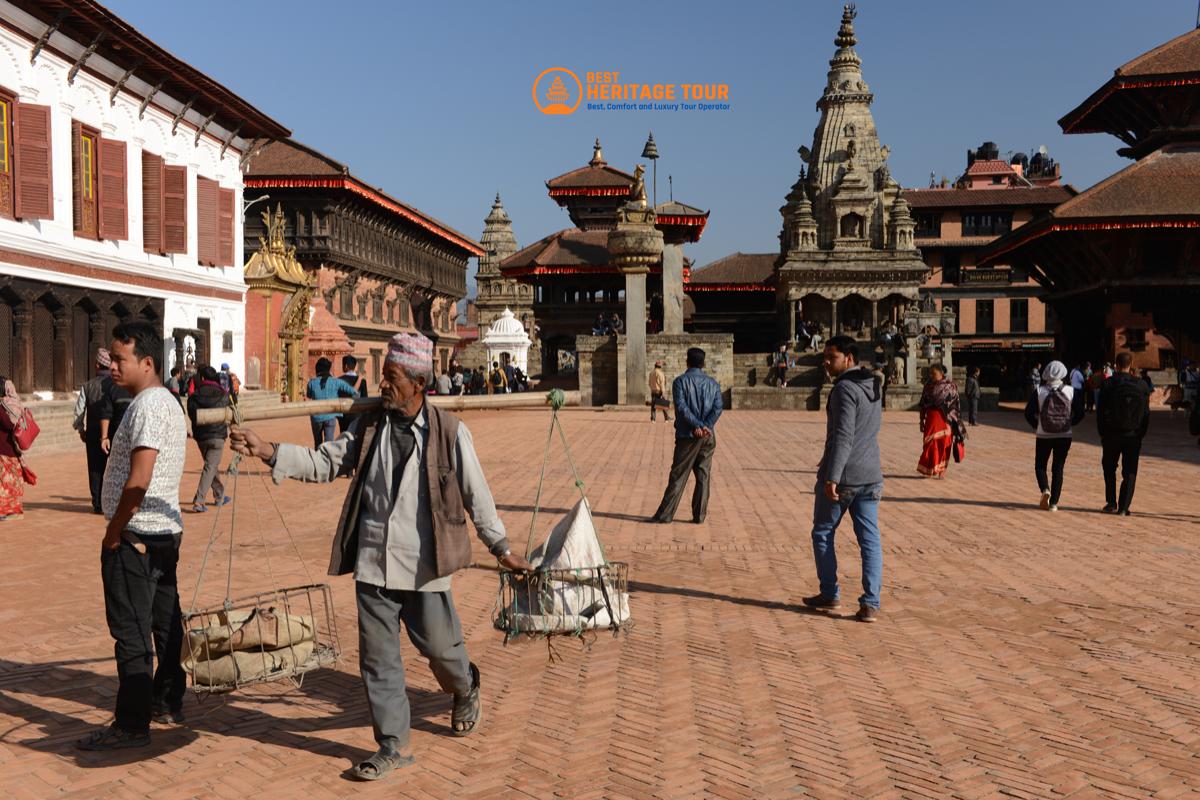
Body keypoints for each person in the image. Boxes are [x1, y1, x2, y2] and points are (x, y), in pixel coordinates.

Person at [228, 332, 534, 780]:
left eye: (391, 377)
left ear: (417, 383)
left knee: (441, 650)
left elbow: (477, 495)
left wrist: (502, 549)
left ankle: (465, 685)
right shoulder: (370, 429)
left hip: (425, 566)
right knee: (377, 658)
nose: (383, 385)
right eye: (383, 376)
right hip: (374, 562)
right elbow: (324, 463)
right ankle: (393, 744)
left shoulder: (450, 433)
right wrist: (269, 451)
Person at [77, 322, 187, 751]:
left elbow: (139, 480)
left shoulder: (147, 406)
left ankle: (132, 722)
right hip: (165, 533)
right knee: (164, 625)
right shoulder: (169, 402)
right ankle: (166, 701)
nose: (113, 366)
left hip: (138, 534)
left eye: (121, 359)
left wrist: (114, 530)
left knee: (132, 631)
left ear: (147, 362)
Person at [802, 336, 884, 623]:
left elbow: (844, 436)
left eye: (831, 357)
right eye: (825, 356)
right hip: (871, 473)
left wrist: (832, 475)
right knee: (870, 539)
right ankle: (871, 603)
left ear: (849, 358)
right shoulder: (874, 384)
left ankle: (830, 593)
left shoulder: (844, 389)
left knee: (822, 532)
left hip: (846, 477)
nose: (826, 361)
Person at [650, 347, 722, 524]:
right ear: (703, 363)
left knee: (678, 475)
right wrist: (706, 426)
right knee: (703, 476)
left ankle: (665, 514)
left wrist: (698, 425)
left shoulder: (680, 382)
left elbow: (681, 408)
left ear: (687, 361)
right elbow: (718, 408)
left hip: (688, 436)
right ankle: (700, 515)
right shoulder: (713, 384)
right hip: (707, 436)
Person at [1024, 360, 1085, 512]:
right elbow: (1081, 412)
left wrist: (1036, 425)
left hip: (1044, 434)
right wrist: (1070, 423)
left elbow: (1027, 413)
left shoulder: (1039, 391)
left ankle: (1045, 489)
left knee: (1040, 465)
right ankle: (1054, 503)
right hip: (1064, 434)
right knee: (1058, 467)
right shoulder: (1070, 391)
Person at [1097, 352, 1150, 516]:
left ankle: (1111, 502)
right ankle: (1124, 507)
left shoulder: (1108, 384)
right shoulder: (1141, 385)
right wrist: (1140, 434)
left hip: (1111, 434)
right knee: (1130, 471)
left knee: (1109, 468)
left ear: (1116, 365)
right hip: (1133, 435)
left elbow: (1100, 412)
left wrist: (1103, 433)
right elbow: (1146, 414)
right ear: (1131, 364)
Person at [73, 348, 125, 513]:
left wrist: (81, 429)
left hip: (94, 432)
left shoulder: (88, 386)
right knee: (117, 467)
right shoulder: (117, 384)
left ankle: (98, 503)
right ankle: (115, 501)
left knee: (96, 468)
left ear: (97, 365)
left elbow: (79, 411)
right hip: (115, 431)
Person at [186, 366, 232, 513]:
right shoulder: (223, 394)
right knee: (210, 466)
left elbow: (192, 414)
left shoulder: (194, 396)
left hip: (201, 437)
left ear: (203, 378)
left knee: (210, 465)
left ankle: (220, 496)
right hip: (218, 436)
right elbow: (230, 411)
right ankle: (199, 500)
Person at [917, 364, 960, 478]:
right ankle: (930, 468)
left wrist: (955, 421)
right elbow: (923, 405)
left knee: (944, 444)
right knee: (930, 445)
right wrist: (921, 420)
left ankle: (942, 469)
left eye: (934, 374)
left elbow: (955, 406)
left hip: (945, 420)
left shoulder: (950, 386)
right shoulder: (928, 386)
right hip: (931, 419)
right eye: (930, 373)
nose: (931, 376)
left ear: (941, 374)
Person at [306, 358, 359, 448]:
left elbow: (309, 395)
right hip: (331, 416)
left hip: (316, 417)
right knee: (329, 444)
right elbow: (354, 392)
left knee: (317, 443)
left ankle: (318, 461)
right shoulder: (336, 382)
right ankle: (327, 461)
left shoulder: (311, 383)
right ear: (329, 369)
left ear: (317, 369)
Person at [0, 377, 28, 520]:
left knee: (6, 483)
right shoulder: (17, 402)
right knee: (13, 482)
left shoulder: (3, 405)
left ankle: (11, 511)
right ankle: (14, 510)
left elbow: (8, 424)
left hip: (5, 450)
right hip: (13, 449)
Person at [338, 354, 369, 434]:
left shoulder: (339, 380)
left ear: (345, 366)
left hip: (343, 414)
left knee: (343, 435)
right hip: (357, 413)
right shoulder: (362, 381)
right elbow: (365, 398)